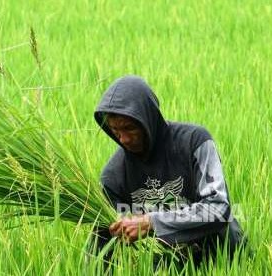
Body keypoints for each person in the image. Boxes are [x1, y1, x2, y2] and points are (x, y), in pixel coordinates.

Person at [90, 75, 245, 268]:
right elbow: (102, 244)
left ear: (148, 118)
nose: (124, 139)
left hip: (220, 256)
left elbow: (218, 208)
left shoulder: (195, 142)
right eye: (115, 131)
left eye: (130, 128)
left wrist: (151, 222)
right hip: (167, 264)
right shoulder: (113, 176)